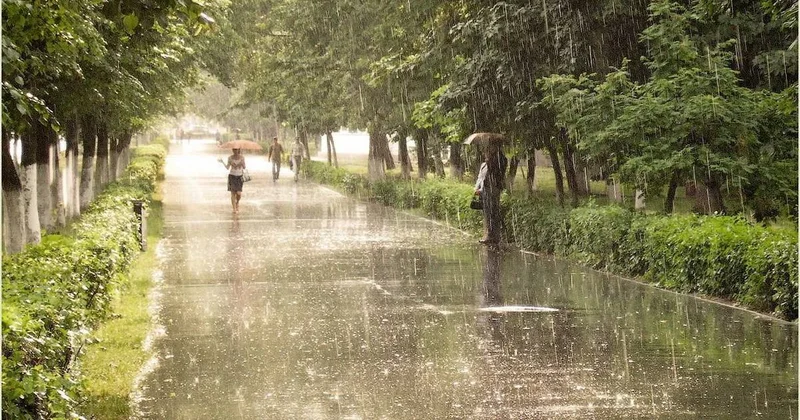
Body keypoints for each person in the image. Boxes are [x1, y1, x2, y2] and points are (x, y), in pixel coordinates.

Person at [474, 141, 508, 244]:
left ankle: (494, 235)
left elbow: (498, 174)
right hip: (486, 189)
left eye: (489, 149)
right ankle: (489, 234)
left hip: (494, 188)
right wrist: (477, 188)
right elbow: (481, 178)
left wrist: (491, 162)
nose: (486, 152)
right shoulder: (485, 163)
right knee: (487, 212)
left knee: (493, 212)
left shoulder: (500, 160)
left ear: (496, 147)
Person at [218, 148, 246, 213]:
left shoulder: (242, 157)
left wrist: (242, 163)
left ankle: (237, 202)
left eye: (236, 149)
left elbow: (244, 167)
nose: (235, 151)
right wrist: (222, 162)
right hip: (232, 176)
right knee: (233, 193)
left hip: (240, 176)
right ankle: (234, 208)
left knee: (238, 193)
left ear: (238, 150)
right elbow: (227, 167)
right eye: (233, 150)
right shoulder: (230, 158)